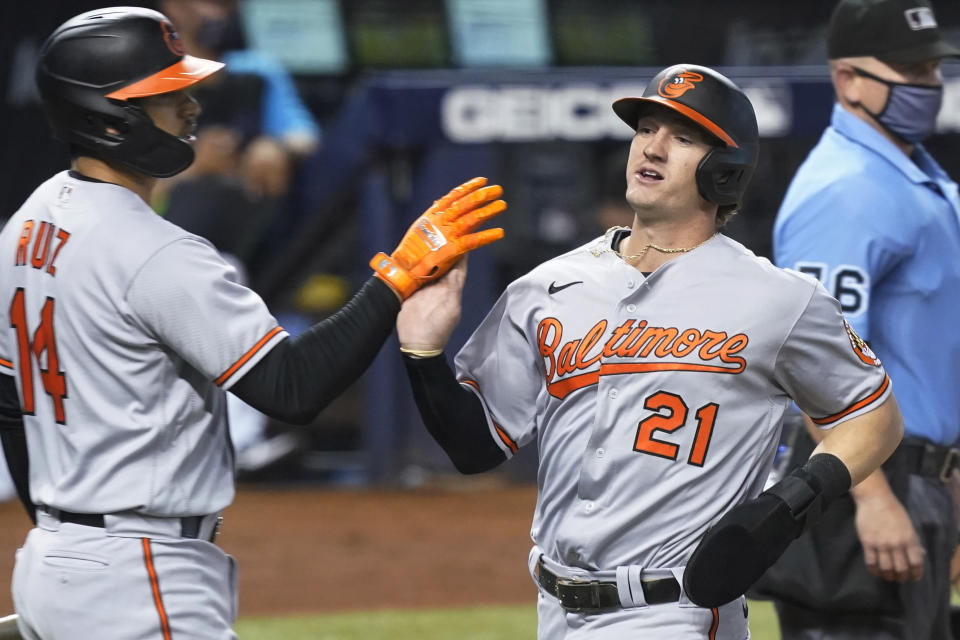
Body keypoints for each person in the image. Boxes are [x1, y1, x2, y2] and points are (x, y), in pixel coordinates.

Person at [0, 7, 504, 640]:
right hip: (139, 575)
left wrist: (65, 532)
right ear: (109, 115)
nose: (190, 108)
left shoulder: (28, 224)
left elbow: (10, 405)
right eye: (166, 94)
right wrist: (395, 279)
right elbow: (290, 388)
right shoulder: (154, 251)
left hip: (55, 556)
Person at [395, 63, 905, 639]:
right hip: (555, 610)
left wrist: (789, 504)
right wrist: (423, 352)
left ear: (725, 170)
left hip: (676, 610)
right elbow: (476, 444)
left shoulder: (778, 301)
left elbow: (874, 415)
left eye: (683, 138)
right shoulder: (549, 286)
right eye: (646, 130)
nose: (653, 149)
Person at [760, 0, 960, 638]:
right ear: (848, 79)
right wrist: (871, 498)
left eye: (931, 67)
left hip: (919, 478)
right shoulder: (846, 192)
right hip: (862, 483)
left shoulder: (913, 176)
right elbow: (811, 361)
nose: (925, 85)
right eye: (907, 68)